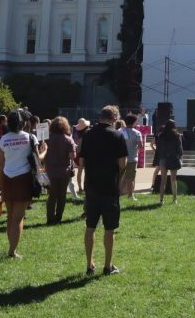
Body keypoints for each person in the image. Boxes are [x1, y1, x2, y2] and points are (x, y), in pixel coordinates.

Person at [80, 105, 128, 275]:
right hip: (110, 187)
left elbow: (82, 161)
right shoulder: (117, 135)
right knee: (110, 229)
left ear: (101, 117)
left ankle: (89, 264)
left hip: (91, 186)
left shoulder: (88, 134)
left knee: (90, 226)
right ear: (115, 118)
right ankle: (108, 266)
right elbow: (123, 163)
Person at [0, 109, 40, 258]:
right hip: (24, 178)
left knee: (10, 217)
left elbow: (0, 163)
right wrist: (45, 150)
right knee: (18, 218)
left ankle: (11, 247)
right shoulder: (30, 137)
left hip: (8, 178)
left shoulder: (3, 139)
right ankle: (12, 251)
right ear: (24, 123)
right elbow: (38, 160)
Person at [45, 116, 77, 225]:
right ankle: (58, 218)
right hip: (64, 171)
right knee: (62, 195)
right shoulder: (68, 139)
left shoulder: (46, 138)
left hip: (50, 170)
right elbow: (72, 156)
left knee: (52, 195)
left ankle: (50, 218)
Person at [156, 119, 183, 205]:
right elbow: (180, 148)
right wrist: (179, 157)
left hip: (163, 158)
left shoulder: (161, 135)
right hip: (173, 158)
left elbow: (159, 148)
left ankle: (161, 200)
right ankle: (174, 199)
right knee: (173, 179)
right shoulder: (177, 135)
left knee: (163, 179)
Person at [119, 114, 142, 201]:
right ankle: (131, 195)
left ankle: (118, 192)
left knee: (119, 176)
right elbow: (140, 145)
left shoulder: (119, 131)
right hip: (132, 158)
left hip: (120, 158)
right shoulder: (137, 132)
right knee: (131, 178)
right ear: (134, 122)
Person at [73, 118, 90, 195]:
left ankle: (80, 188)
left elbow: (76, 143)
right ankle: (86, 188)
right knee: (87, 172)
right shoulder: (88, 133)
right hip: (86, 154)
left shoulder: (77, 134)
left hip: (79, 154)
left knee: (79, 172)